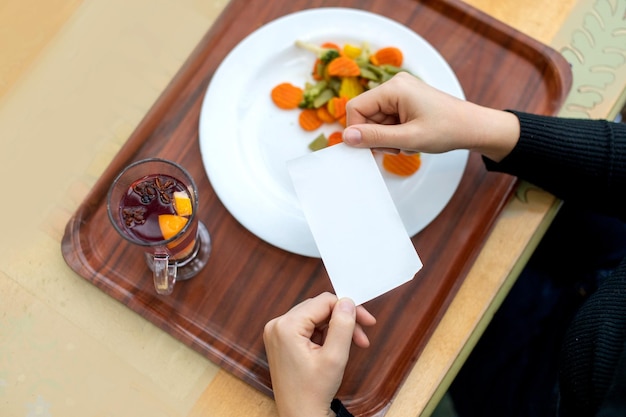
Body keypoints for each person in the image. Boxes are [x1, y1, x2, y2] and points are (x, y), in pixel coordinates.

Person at [263, 72, 626, 417]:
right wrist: (484, 127)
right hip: (610, 256)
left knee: (438, 321)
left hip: (547, 389)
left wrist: (306, 411)